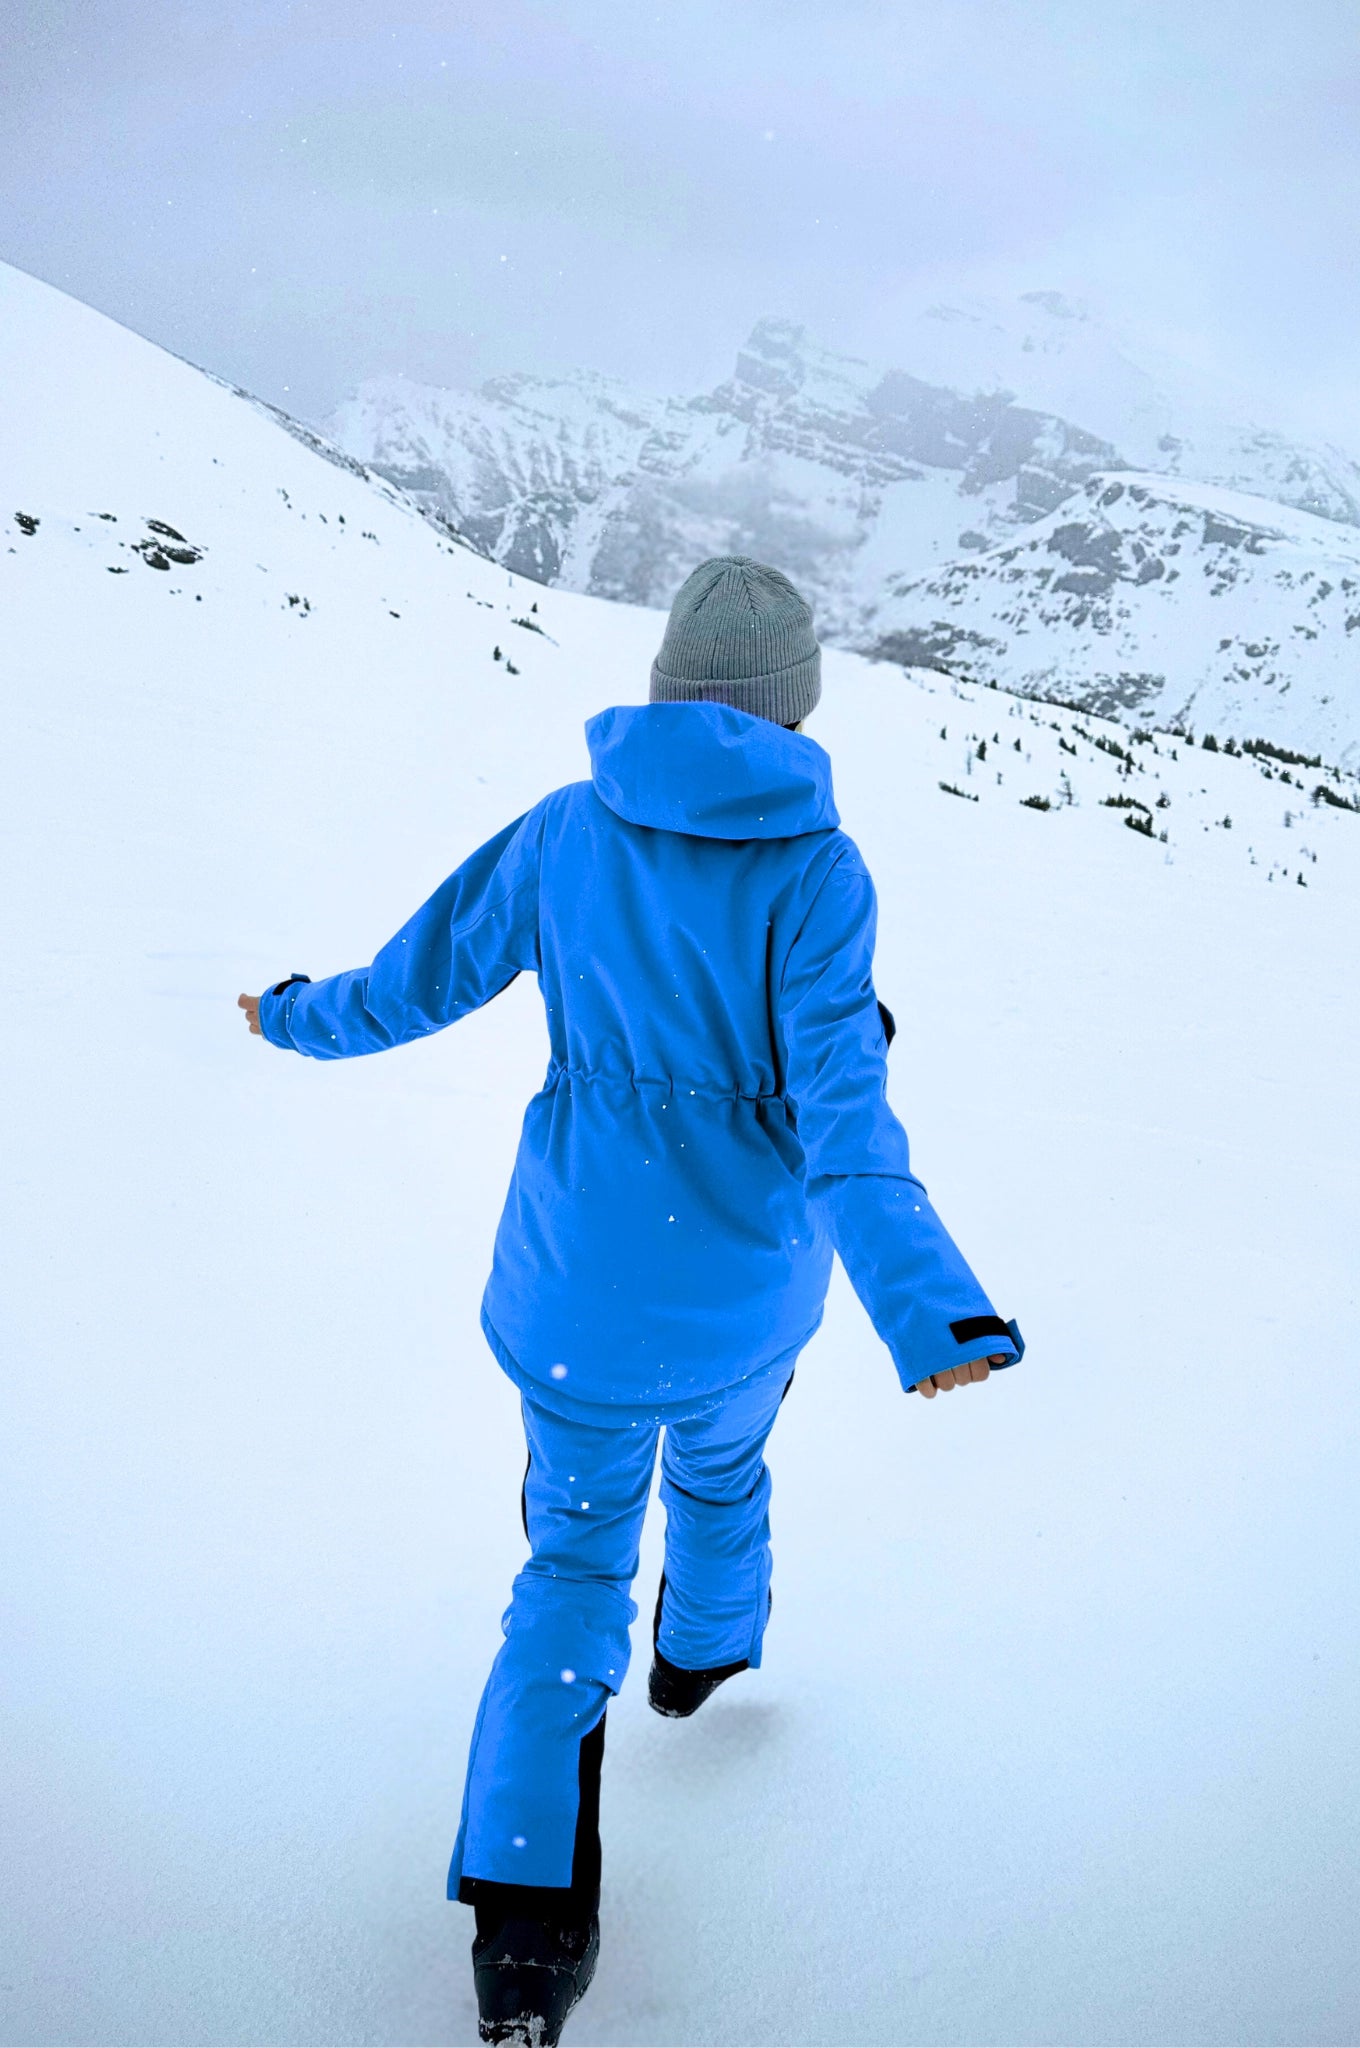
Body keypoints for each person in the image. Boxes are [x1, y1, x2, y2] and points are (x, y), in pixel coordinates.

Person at [238, 555, 1022, 2046]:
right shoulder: (818, 872)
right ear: (794, 711)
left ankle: (527, 1937)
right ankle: (702, 1664)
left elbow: (409, 989)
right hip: (740, 1293)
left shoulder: (565, 834)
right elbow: (847, 1120)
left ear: (666, 688)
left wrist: (287, 1016)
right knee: (723, 1475)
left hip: (578, 1291)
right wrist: (933, 1314)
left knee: (569, 1566)